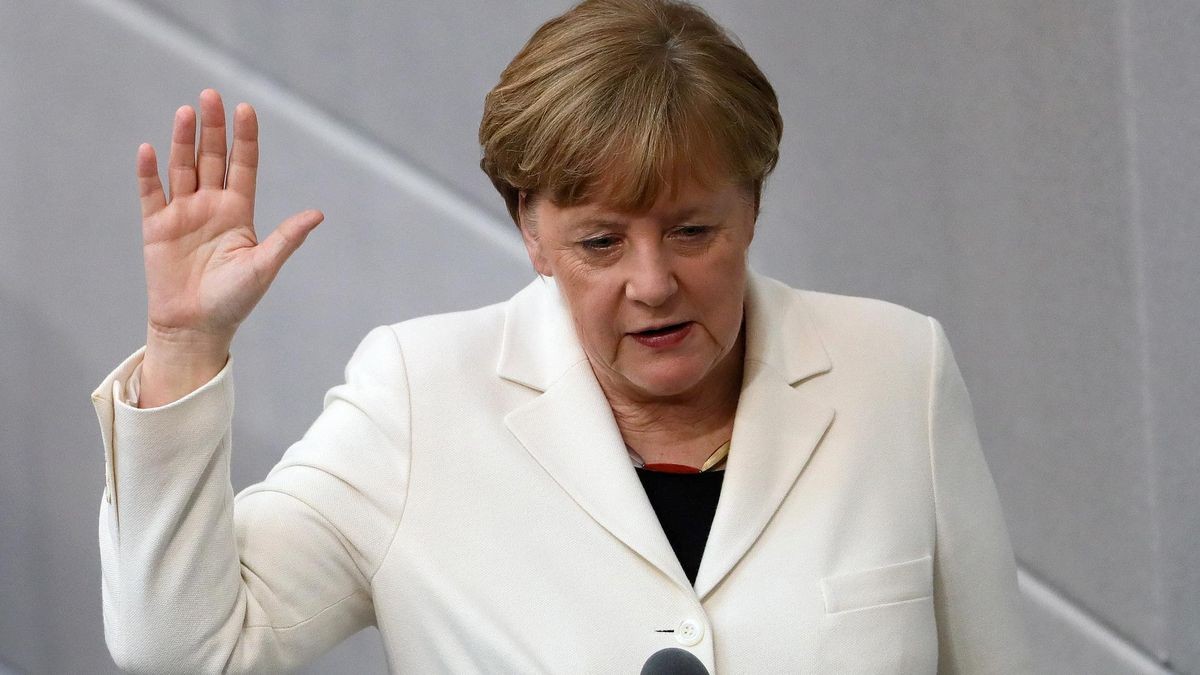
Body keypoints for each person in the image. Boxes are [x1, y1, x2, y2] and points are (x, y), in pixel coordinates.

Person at [91, 0, 1032, 672]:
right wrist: (184, 347)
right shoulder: (419, 400)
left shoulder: (895, 372)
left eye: (692, 231)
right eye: (600, 241)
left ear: (752, 207)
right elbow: (183, 650)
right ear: (530, 233)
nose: (653, 281)